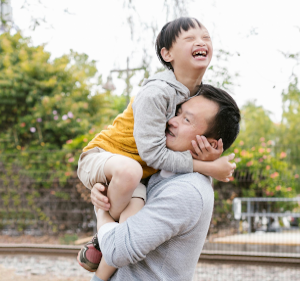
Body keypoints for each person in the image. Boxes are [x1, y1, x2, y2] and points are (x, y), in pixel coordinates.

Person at [77, 17, 235, 276]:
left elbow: (185, 146)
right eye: (190, 38)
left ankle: (100, 255)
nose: (201, 42)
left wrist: (208, 160)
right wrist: (208, 166)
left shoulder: (196, 97)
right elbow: (153, 153)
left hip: (137, 173)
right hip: (106, 156)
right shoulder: (157, 92)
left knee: (127, 229)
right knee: (128, 172)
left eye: (206, 38)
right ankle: (102, 231)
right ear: (167, 53)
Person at [90, 86, 241, 281]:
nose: (171, 121)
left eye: (186, 119)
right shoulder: (160, 170)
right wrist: (104, 192)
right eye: (177, 113)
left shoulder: (187, 191)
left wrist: (101, 210)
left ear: (210, 144)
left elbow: (118, 250)